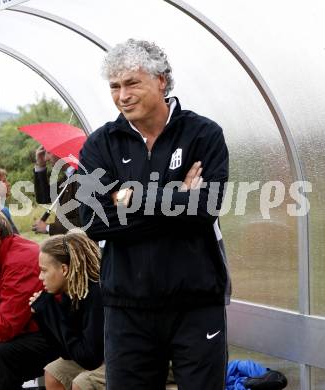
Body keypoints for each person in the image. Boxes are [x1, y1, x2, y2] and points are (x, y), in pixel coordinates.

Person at [78, 39, 230, 390]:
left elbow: (206, 207)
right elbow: (92, 219)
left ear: (161, 80)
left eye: (132, 83)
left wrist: (131, 200)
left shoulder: (203, 134)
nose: (122, 95)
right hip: (126, 308)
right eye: (115, 86)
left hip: (196, 302)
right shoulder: (101, 143)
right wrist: (177, 195)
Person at [0, 209, 57, 390]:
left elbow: (4, 331)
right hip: (23, 329)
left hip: (58, 336)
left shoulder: (20, 261)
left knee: (2, 353)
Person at [29, 231, 105, 390]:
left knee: (82, 383)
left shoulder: (96, 294)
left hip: (134, 355)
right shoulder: (70, 293)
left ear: (64, 269)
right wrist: (44, 315)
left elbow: (90, 358)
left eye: (44, 270)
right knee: (54, 372)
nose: (40, 277)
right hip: (99, 358)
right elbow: (65, 353)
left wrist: (52, 312)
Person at [32, 146, 80, 235]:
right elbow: (44, 198)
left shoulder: (81, 179)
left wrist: (48, 228)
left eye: (48, 152)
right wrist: (40, 165)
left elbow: (83, 221)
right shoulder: (67, 178)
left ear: (61, 151)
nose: (45, 158)